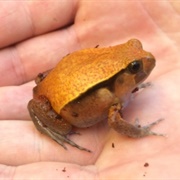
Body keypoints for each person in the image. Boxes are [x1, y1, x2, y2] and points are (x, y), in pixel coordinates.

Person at [0, 1, 180, 179]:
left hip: (64, 80)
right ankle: (55, 130)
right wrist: (140, 132)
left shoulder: (113, 72)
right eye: (135, 67)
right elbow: (115, 122)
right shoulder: (112, 101)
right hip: (63, 108)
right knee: (63, 128)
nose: (147, 58)